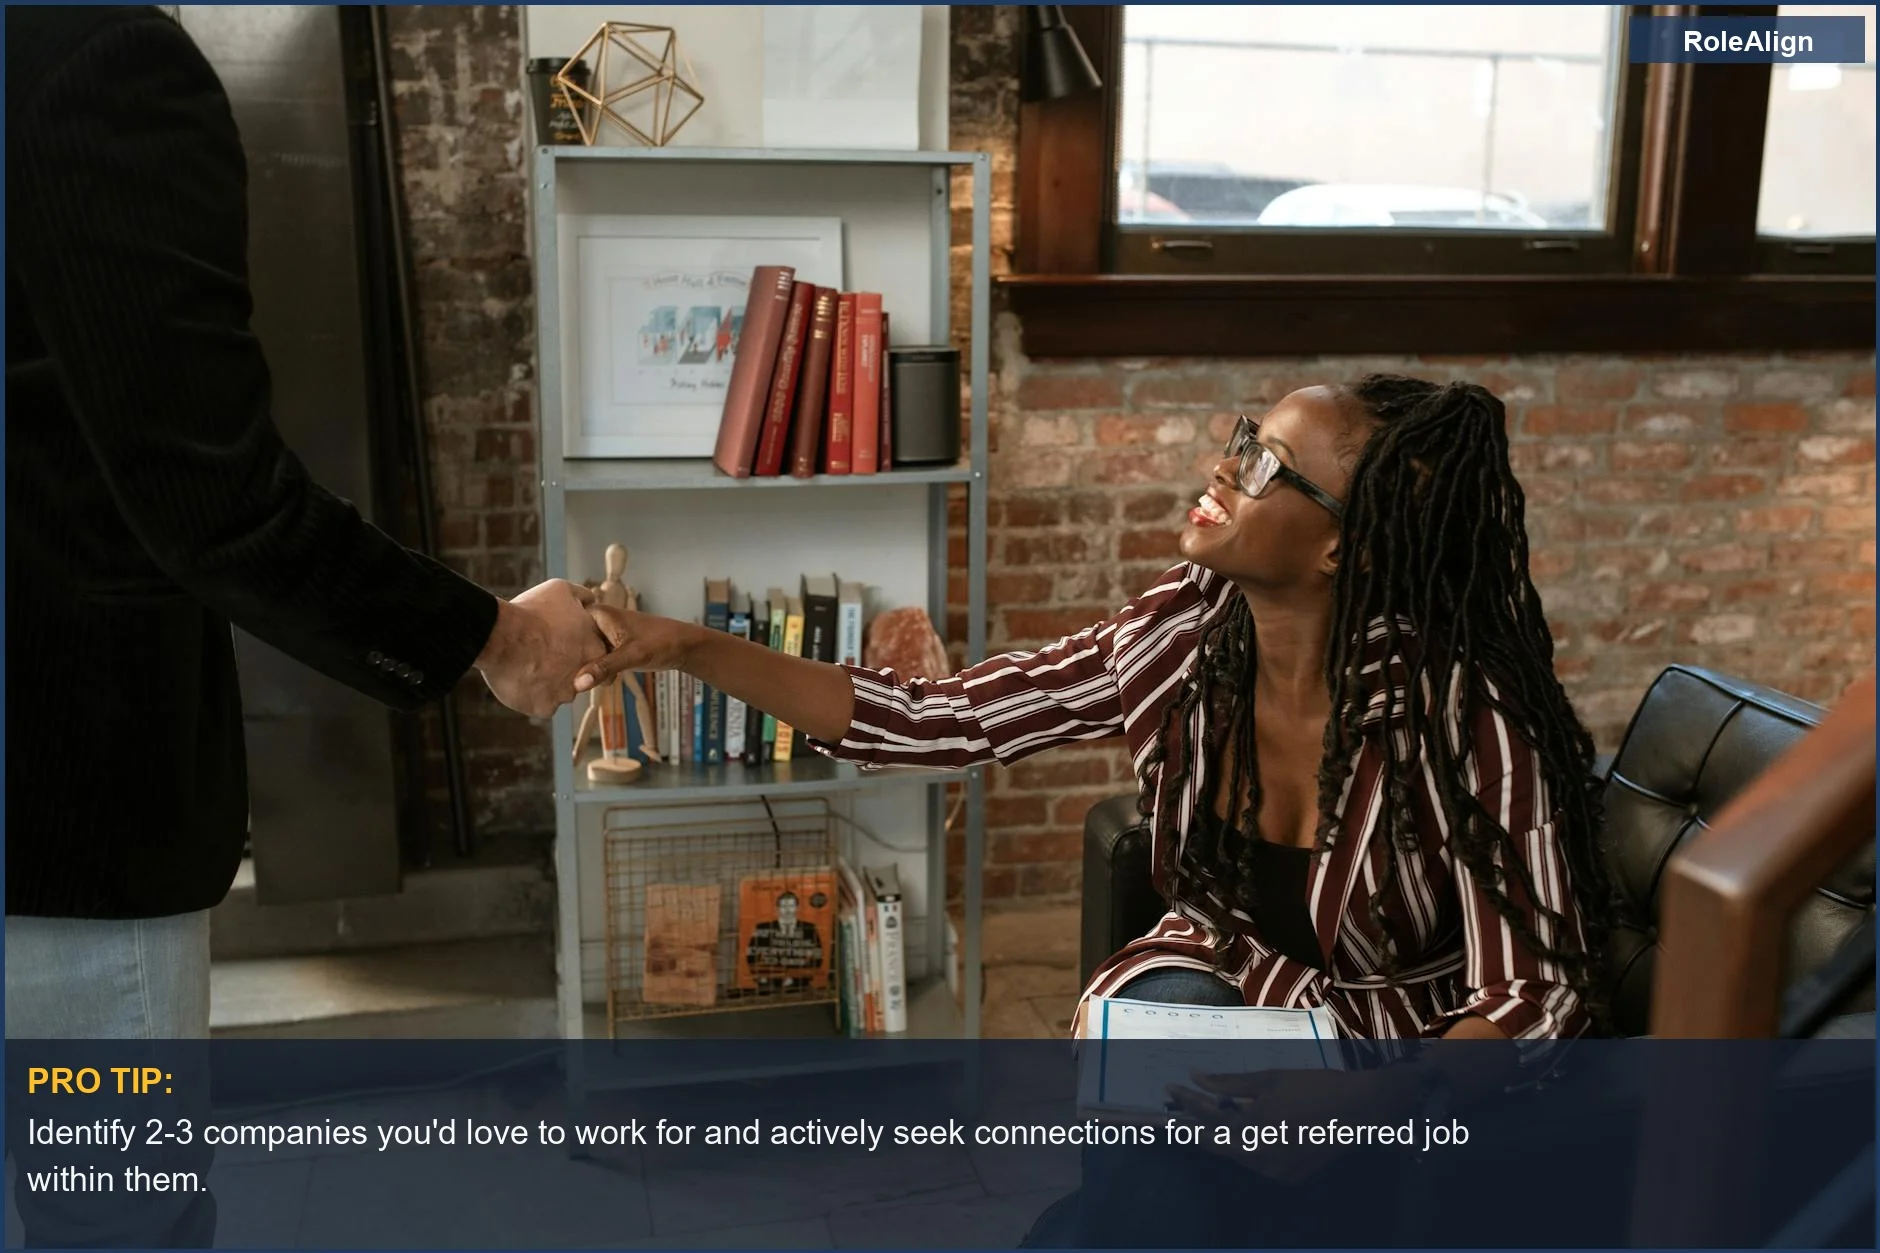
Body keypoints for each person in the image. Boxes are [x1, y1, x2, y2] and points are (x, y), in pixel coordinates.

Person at [577, 375, 1618, 1244]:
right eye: (1238, 439)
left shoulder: (1459, 714)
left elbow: (1539, 992)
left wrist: (1373, 1096)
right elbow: (935, 720)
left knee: (1139, 1206)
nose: (1221, 470)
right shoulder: (1181, 635)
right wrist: (687, 645)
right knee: (1151, 1180)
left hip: (1394, 1055)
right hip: (1231, 990)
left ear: (1340, 545)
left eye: (1263, 465)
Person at [5, 6, 604, 1041]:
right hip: (62, 816)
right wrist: (497, 637)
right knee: (106, 1190)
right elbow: (216, 504)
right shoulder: (93, 59)